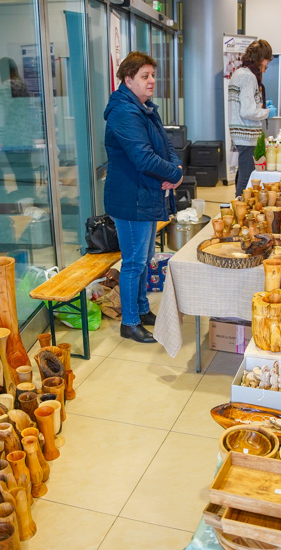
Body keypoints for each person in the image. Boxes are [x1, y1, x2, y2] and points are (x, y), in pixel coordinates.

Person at [104, 52, 183, 343]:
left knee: (145, 257)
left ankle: (140, 308)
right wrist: (173, 175)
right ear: (128, 79)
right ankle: (130, 322)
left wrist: (176, 167)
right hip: (130, 199)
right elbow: (143, 158)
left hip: (146, 195)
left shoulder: (145, 107)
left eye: (153, 75)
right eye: (145, 76)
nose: (152, 81)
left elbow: (165, 145)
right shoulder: (124, 112)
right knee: (134, 262)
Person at [228, 39, 273, 197]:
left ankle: (238, 209)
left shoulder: (240, 73)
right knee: (246, 180)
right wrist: (267, 112)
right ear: (262, 58)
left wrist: (259, 106)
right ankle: (241, 212)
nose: (267, 65)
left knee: (242, 175)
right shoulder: (248, 77)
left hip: (241, 135)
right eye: (267, 60)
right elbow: (247, 111)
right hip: (246, 136)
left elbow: (245, 106)